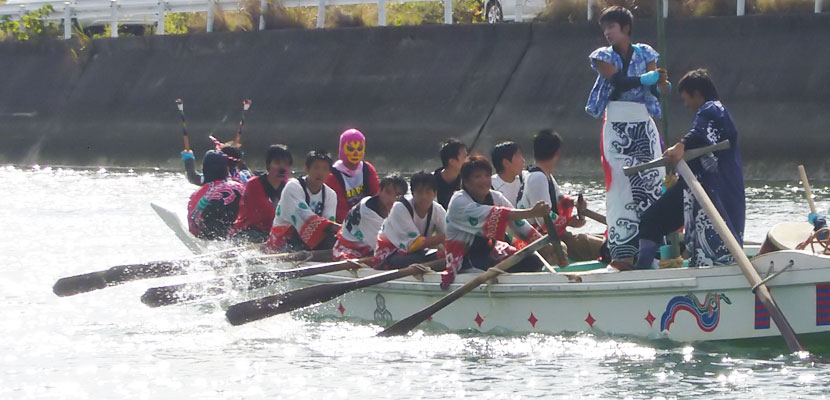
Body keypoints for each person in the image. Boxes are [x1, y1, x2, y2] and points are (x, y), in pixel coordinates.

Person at [585, 6, 671, 265]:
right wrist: (647, 79)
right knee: (620, 186)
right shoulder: (602, 56)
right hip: (617, 122)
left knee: (653, 182)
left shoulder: (646, 52)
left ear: (626, 28)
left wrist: (661, 85)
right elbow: (620, 82)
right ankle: (622, 251)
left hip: (643, 122)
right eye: (605, 28)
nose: (607, 33)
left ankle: (656, 250)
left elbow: (654, 88)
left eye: (611, 27)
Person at [635, 69, 745, 268]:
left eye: (687, 99)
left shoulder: (711, 109)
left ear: (697, 94)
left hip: (708, 190)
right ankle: (644, 268)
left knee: (651, 220)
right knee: (654, 221)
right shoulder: (719, 112)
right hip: (696, 188)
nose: (686, 105)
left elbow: (699, 134)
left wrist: (680, 146)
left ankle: (640, 271)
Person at [441, 155, 553, 289]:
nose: (484, 181)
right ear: (466, 181)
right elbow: (499, 214)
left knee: (533, 261)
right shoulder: (458, 202)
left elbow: (519, 224)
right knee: (486, 270)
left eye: (487, 175)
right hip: (464, 260)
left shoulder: (495, 197)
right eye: (477, 177)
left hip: (489, 252)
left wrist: (545, 245)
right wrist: (532, 212)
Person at [517, 130, 604, 262]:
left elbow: (560, 199)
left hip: (557, 235)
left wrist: (575, 202)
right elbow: (544, 219)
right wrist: (570, 221)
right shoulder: (538, 178)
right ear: (557, 153)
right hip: (546, 241)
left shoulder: (544, 175)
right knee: (607, 247)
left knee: (604, 240)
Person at [266, 150, 340, 253]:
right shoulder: (293, 187)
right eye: (316, 167)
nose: (320, 173)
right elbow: (303, 216)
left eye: (325, 169)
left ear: (329, 173)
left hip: (312, 242)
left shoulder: (330, 194)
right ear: (306, 168)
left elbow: (328, 224)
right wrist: (340, 229)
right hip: (284, 239)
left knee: (332, 239)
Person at [375, 171, 448, 269]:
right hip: (389, 254)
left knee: (445, 256)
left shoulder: (437, 210)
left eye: (428, 191)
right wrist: (445, 237)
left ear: (435, 193)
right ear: (413, 193)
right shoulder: (400, 208)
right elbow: (413, 244)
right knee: (416, 259)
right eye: (419, 192)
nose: (424, 197)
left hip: (417, 252)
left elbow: (450, 236)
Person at [332, 175, 408, 261]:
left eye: (397, 196)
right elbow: (382, 244)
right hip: (349, 250)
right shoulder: (368, 213)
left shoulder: (380, 204)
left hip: (367, 247)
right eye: (388, 192)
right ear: (380, 191)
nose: (392, 199)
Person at [229, 145, 293, 243]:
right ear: (268, 165)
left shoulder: (289, 186)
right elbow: (265, 213)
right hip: (247, 231)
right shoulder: (254, 184)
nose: (282, 168)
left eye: (286, 164)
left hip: (273, 231)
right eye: (277, 163)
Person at [187, 150, 245, 240]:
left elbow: (193, 226)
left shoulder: (197, 196)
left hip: (210, 238)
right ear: (227, 169)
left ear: (204, 170)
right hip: (239, 233)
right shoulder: (240, 186)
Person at [326, 129, 381, 223]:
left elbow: (378, 197)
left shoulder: (368, 169)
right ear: (342, 149)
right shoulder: (332, 175)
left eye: (359, 149)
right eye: (350, 149)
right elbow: (339, 209)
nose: (355, 153)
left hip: (368, 219)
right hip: (344, 223)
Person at [182, 138, 253, 186]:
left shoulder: (213, 179)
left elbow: (193, 177)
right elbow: (243, 167)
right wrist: (237, 154)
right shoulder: (245, 176)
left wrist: (189, 158)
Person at [490, 141, 529, 207]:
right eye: (518, 156)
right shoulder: (490, 186)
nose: (523, 160)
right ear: (506, 163)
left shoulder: (526, 178)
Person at [433, 139, 468, 210]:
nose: (468, 160)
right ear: (452, 162)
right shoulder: (431, 182)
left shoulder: (467, 181)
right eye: (464, 157)